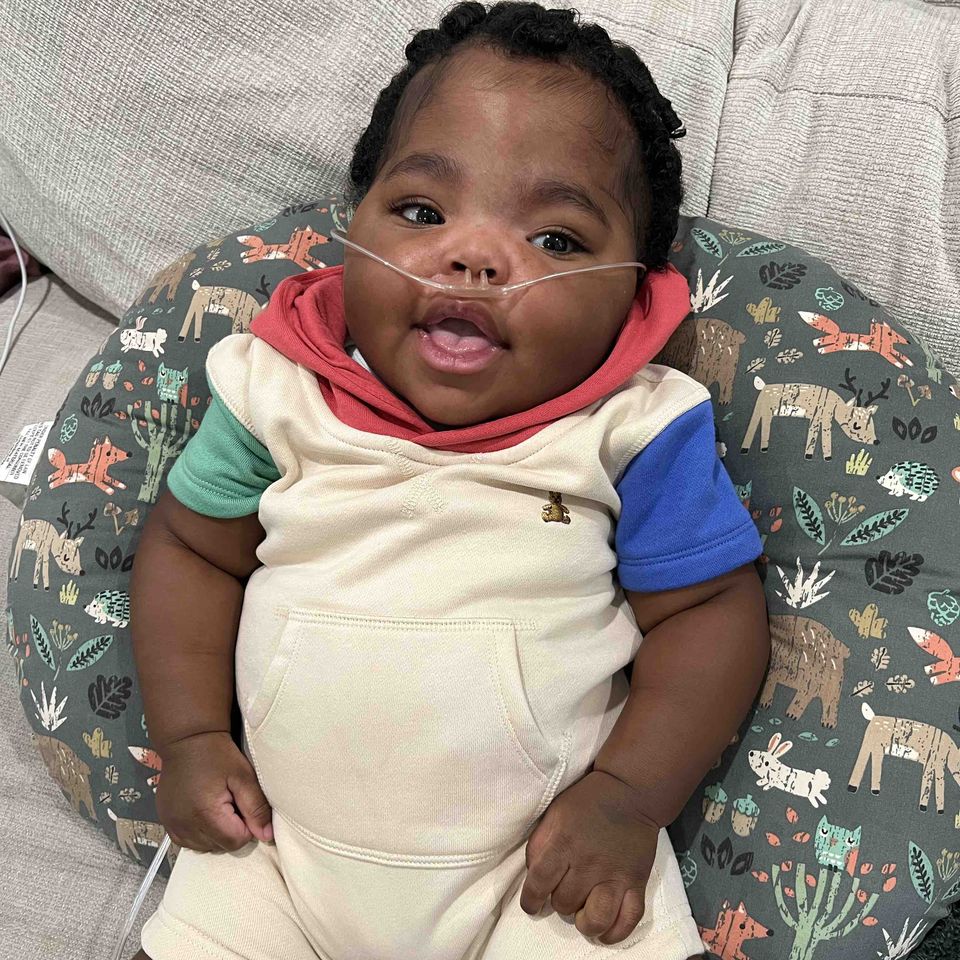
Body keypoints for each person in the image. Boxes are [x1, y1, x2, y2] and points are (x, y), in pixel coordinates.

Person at [128, 3, 771, 958]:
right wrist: (188, 738)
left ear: (633, 293)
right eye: (423, 213)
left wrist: (629, 799)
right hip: (275, 854)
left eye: (557, 240)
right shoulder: (275, 390)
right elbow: (191, 550)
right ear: (354, 229)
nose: (473, 257)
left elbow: (710, 612)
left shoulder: (632, 430)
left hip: (537, 876)